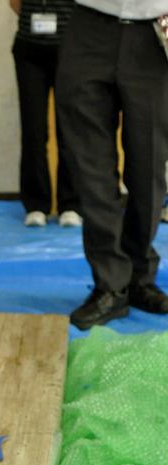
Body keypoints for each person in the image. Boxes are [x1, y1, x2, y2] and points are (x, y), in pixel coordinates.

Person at [56, 2, 168, 330]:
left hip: (154, 27)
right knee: (91, 168)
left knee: (149, 167)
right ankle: (111, 283)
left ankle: (138, 274)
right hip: (88, 24)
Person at [9, 0, 80, 228]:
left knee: (69, 130)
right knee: (33, 130)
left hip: (70, 49)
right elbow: (15, 3)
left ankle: (70, 204)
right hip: (30, 50)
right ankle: (36, 204)